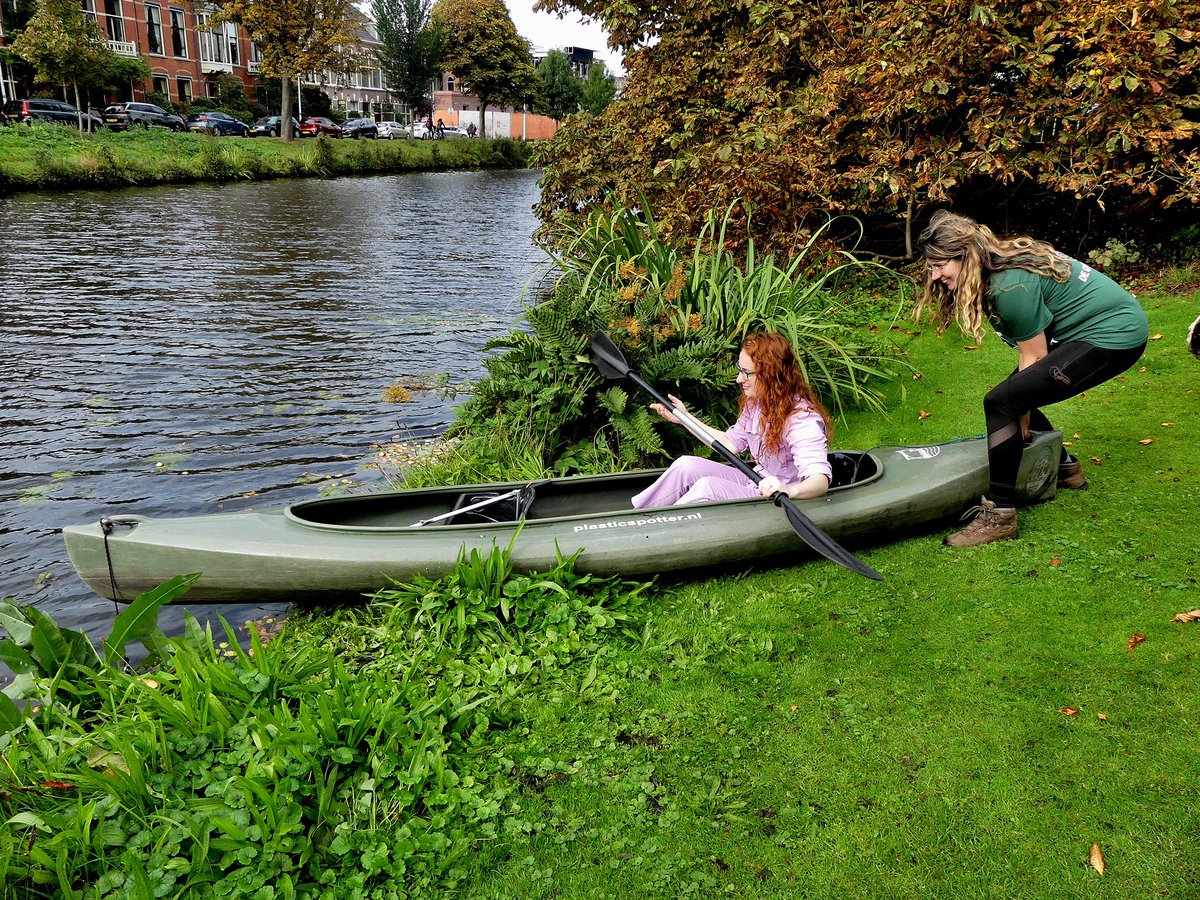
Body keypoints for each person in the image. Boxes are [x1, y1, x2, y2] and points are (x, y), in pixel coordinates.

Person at [916, 210, 1149, 547]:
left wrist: (1021, 404)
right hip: (1090, 331)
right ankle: (1066, 468)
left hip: (1113, 335)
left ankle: (1000, 516)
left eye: (941, 266)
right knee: (1013, 394)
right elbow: (1032, 357)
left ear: (965, 258)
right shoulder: (996, 267)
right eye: (932, 266)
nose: (936, 275)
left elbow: (1035, 356)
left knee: (1004, 401)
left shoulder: (1010, 285)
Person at [631, 331, 833, 508]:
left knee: (707, 487)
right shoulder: (757, 404)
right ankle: (634, 517)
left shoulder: (802, 420)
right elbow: (729, 444)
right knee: (686, 465)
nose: (738, 379)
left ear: (772, 375)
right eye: (740, 370)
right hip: (754, 481)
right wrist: (684, 419)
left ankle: (656, 531)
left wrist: (789, 491)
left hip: (775, 498)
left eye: (747, 373)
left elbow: (819, 481)